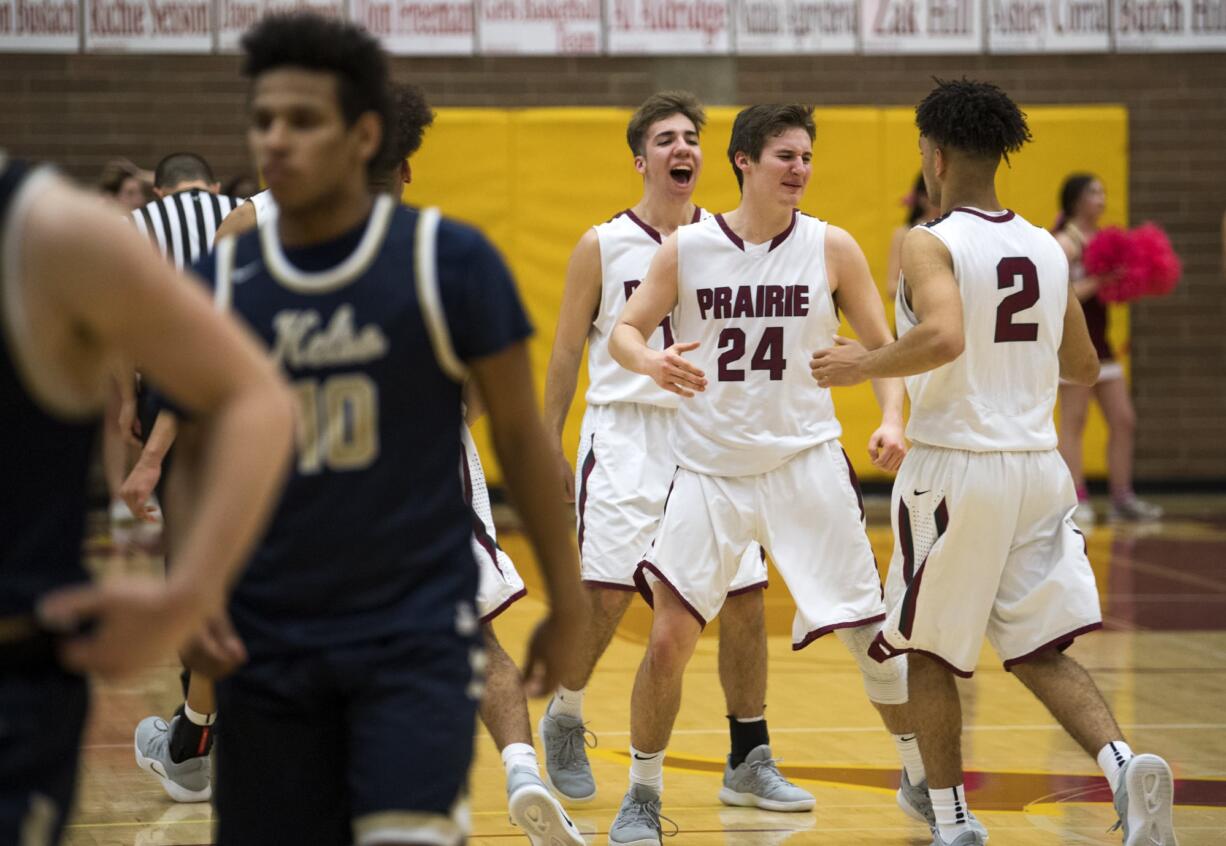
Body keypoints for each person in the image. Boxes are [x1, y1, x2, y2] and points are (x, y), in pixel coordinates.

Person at [182, 14, 583, 845]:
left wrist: (567, 596)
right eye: (265, 120)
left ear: (362, 136)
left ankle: (513, 772)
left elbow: (516, 429)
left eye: (303, 120)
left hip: (407, 622)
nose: (277, 141)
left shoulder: (450, 262)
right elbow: (197, 440)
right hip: (277, 617)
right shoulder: (236, 269)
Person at [812, 78, 1178, 846]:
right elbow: (1082, 365)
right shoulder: (1045, 246)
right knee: (1040, 648)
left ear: (935, 155)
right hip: (1037, 468)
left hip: (956, 468)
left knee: (928, 651)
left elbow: (943, 336)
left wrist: (867, 361)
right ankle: (1120, 767)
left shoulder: (929, 239)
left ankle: (950, 821)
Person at [605, 104, 925, 846]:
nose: (801, 169)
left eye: (808, 157)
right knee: (667, 641)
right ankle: (643, 797)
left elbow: (885, 351)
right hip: (710, 470)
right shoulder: (686, 250)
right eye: (786, 155)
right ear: (744, 161)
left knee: (868, 637)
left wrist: (891, 419)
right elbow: (623, 331)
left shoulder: (832, 247)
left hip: (803, 464)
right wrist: (652, 359)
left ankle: (920, 777)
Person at [0, 152, 294, 844]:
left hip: (19, 666)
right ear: (213, 187)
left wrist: (137, 412)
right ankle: (204, 735)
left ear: (161, 190)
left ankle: (200, 736)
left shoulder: (64, 227)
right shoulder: (231, 215)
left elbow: (245, 384)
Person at [541, 91, 808, 814]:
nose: (682, 147)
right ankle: (565, 713)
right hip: (626, 430)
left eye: (691, 137)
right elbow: (568, 349)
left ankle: (748, 755)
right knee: (607, 592)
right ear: (642, 160)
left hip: (708, 435)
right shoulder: (602, 243)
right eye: (666, 138)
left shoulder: (726, 240)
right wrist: (546, 443)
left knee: (746, 596)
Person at [1053, 174, 1161, 526]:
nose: (1101, 197)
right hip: (1073, 345)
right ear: (1075, 200)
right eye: (1094, 192)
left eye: (1103, 190)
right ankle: (1077, 497)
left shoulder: (1106, 241)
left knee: (1124, 420)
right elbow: (1057, 296)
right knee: (1074, 422)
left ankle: (1122, 496)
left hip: (1104, 345)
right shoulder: (1065, 243)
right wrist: (1099, 281)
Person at [887, 173, 939, 301]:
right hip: (915, 316)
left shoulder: (956, 232)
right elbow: (891, 287)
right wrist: (926, 289)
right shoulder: (904, 233)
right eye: (939, 196)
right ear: (923, 199)